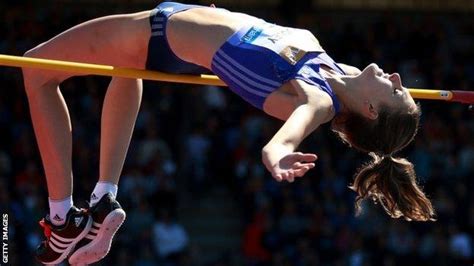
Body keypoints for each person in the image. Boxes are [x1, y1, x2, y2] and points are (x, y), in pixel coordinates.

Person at [21, 1, 435, 264]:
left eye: (397, 91)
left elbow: (294, 129)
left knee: (35, 69)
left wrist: (278, 153)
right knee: (126, 73)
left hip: (159, 33)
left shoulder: (321, 99)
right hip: (174, 35)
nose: (397, 76)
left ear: (371, 109)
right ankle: (102, 198)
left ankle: (61, 219)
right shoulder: (335, 72)